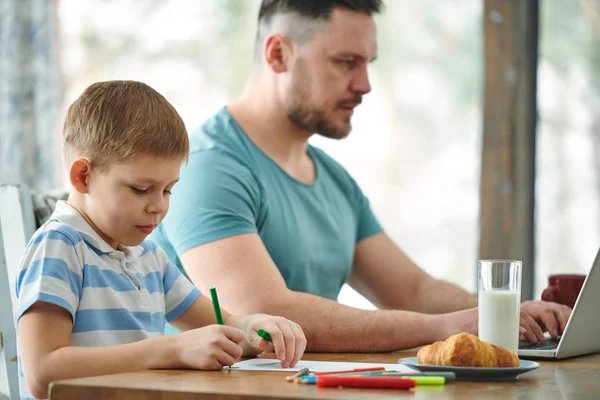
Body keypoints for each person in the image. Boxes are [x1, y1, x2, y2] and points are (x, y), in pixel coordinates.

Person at [150, 0, 571, 351]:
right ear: (278, 54)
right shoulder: (207, 167)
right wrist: (449, 326)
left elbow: (413, 291)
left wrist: (507, 312)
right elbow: (263, 313)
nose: (365, 84)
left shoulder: (333, 179)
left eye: (368, 63)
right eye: (345, 62)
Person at [16, 80, 306, 400]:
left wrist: (258, 330)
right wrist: (171, 349)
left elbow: (225, 325)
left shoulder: (148, 257)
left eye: (168, 189)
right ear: (83, 176)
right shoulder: (59, 247)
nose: (159, 206)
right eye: (141, 189)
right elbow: (42, 373)